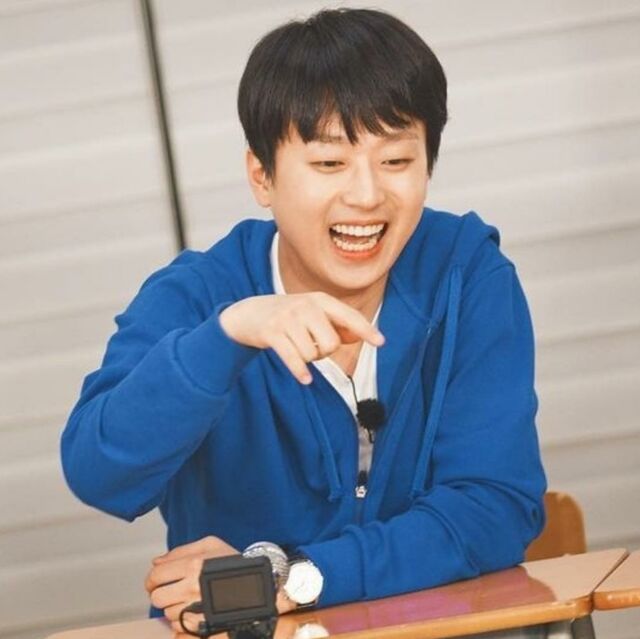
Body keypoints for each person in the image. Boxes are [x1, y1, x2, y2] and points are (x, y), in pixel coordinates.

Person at [61, 6, 546, 635]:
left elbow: (494, 508)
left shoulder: (467, 273)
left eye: (396, 161)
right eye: (329, 164)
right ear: (262, 176)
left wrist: (288, 576)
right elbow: (99, 474)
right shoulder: (197, 296)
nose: (366, 196)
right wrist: (226, 338)